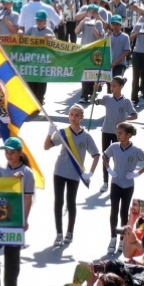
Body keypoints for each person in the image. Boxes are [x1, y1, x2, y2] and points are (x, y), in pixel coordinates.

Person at [0, 137, 34, 286]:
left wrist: (24, 219)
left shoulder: (27, 173)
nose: (9, 155)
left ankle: (11, 285)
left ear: (19, 153)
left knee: (12, 253)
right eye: (7, 152)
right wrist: (11, 182)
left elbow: (27, 198)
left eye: (12, 152)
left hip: (14, 219)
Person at [44, 104, 100, 246]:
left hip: (74, 173)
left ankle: (70, 232)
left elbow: (96, 155)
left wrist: (90, 173)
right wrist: (50, 133)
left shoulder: (86, 136)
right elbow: (46, 147)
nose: (73, 118)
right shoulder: (62, 132)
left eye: (76, 115)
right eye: (71, 115)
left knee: (71, 202)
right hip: (60, 171)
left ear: (82, 117)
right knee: (58, 201)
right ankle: (58, 233)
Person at [103, 123, 144, 254]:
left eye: (120, 133)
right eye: (117, 132)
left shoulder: (136, 150)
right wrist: (109, 169)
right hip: (115, 183)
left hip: (128, 186)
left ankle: (122, 239)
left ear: (128, 135)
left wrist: (137, 173)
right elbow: (105, 157)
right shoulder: (114, 146)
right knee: (114, 210)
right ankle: (113, 237)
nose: (117, 135)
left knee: (124, 212)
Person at [96, 77, 137, 192]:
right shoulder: (107, 98)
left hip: (119, 134)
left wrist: (124, 119)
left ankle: (118, 179)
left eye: (114, 85)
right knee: (105, 156)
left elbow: (134, 115)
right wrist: (95, 91)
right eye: (111, 85)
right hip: (106, 131)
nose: (111, 88)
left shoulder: (126, 101)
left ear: (121, 87)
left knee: (118, 157)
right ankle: (105, 182)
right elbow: (94, 102)